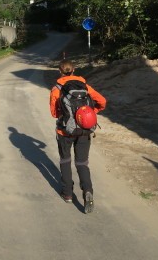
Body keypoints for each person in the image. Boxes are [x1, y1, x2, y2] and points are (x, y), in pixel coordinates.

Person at [50, 59, 106, 213]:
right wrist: (88, 114)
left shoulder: (57, 88)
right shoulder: (85, 86)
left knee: (66, 160)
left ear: (60, 71)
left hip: (64, 131)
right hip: (84, 130)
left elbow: (54, 113)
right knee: (82, 163)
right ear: (74, 70)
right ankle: (88, 191)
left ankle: (67, 194)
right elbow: (102, 101)